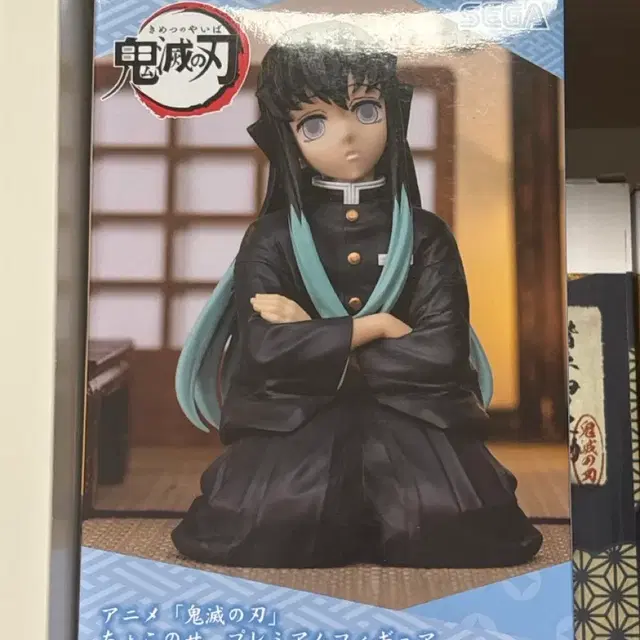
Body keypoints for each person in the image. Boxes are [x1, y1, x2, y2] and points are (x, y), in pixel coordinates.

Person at [170, 22, 543, 569]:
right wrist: (378, 327)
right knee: (277, 517)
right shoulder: (271, 237)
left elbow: (442, 351)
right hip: (299, 417)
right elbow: (265, 351)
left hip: (412, 414)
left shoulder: (426, 234)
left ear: (393, 114)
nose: (346, 136)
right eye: (315, 122)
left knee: (448, 517)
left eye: (366, 110)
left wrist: (314, 333)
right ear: (287, 138)